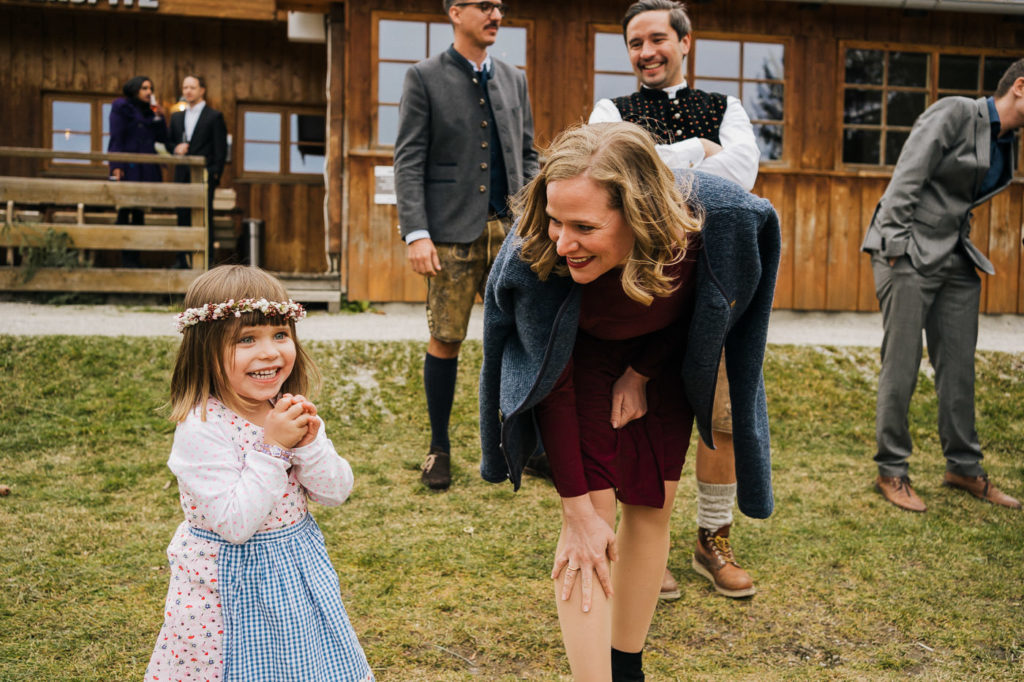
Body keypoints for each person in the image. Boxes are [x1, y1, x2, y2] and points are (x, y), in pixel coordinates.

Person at [479, 122, 779, 681]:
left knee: (652, 504)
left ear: (640, 217)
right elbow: (551, 382)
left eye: (584, 226)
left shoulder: (708, 230)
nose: (563, 241)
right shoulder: (540, 255)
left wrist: (642, 372)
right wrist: (573, 510)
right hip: (577, 355)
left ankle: (627, 667)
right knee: (591, 524)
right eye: (555, 221)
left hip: (661, 361)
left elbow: (706, 316)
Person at [589, 0, 761, 600]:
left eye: (657, 38)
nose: (646, 52)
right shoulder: (611, 111)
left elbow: (742, 172)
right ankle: (644, 545)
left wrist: (664, 160)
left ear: (685, 41)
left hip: (716, 286)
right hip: (643, 287)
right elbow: (609, 168)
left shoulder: (727, 106)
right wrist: (700, 153)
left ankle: (711, 538)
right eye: (635, 43)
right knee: (641, 411)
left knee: (722, 420)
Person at [146, 265, 374, 681]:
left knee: (298, 664)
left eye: (280, 334)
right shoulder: (201, 428)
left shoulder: (283, 409)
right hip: (227, 589)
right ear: (204, 349)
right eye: (247, 339)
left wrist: (310, 445)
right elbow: (235, 523)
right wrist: (272, 449)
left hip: (295, 574)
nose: (269, 352)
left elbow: (336, 491)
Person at [861, 59, 1024, 513]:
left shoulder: (1007, 141)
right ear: (1021, 88)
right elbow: (908, 175)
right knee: (903, 362)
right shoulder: (955, 113)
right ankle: (891, 470)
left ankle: (963, 468)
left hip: (954, 256)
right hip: (906, 249)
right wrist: (895, 248)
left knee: (958, 365)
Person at [394, 0, 539, 490]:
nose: (495, 13)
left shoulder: (515, 78)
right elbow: (409, 159)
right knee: (446, 338)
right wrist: (417, 232)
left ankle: (523, 446)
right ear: (455, 12)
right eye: (484, 5)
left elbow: (528, 153)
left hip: (513, 230)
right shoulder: (423, 76)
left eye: (499, 6)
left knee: (523, 338)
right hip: (451, 234)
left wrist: (537, 217)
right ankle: (439, 449)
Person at [108, 75, 167, 268]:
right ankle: (125, 260)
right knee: (125, 211)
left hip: (146, 170)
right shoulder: (121, 107)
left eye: (150, 88)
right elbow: (116, 137)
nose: (149, 92)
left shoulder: (151, 112)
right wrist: (116, 165)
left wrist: (159, 117)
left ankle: (135, 259)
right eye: (144, 88)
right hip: (128, 168)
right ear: (134, 90)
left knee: (140, 213)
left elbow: (161, 138)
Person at [169, 74, 228, 269]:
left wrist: (213, 174)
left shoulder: (214, 116)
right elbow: (169, 143)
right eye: (185, 87)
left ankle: (206, 261)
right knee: (182, 216)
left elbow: (221, 150)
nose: (188, 91)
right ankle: (181, 259)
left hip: (204, 177)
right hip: (181, 176)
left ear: (202, 90)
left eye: (192, 87)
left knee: (204, 218)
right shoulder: (176, 117)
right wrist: (176, 148)